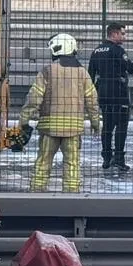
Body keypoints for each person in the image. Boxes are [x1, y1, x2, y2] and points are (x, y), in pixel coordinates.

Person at [20, 33, 101, 194]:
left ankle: (37, 194)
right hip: (73, 129)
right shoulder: (82, 73)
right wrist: (95, 122)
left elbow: (34, 97)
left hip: (49, 129)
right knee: (72, 164)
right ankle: (71, 198)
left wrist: (24, 119)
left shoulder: (47, 71)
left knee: (43, 162)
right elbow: (92, 100)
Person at [87, 22, 133, 173]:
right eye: (122, 33)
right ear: (114, 34)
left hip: (103, 94)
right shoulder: (117, 50)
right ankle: (119, 159)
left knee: (107, 127)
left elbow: (90, 75)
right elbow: (131, 68)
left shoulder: (96, 51)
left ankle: (106, 158)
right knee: (121, 128)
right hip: (119, 95)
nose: (124, 37)